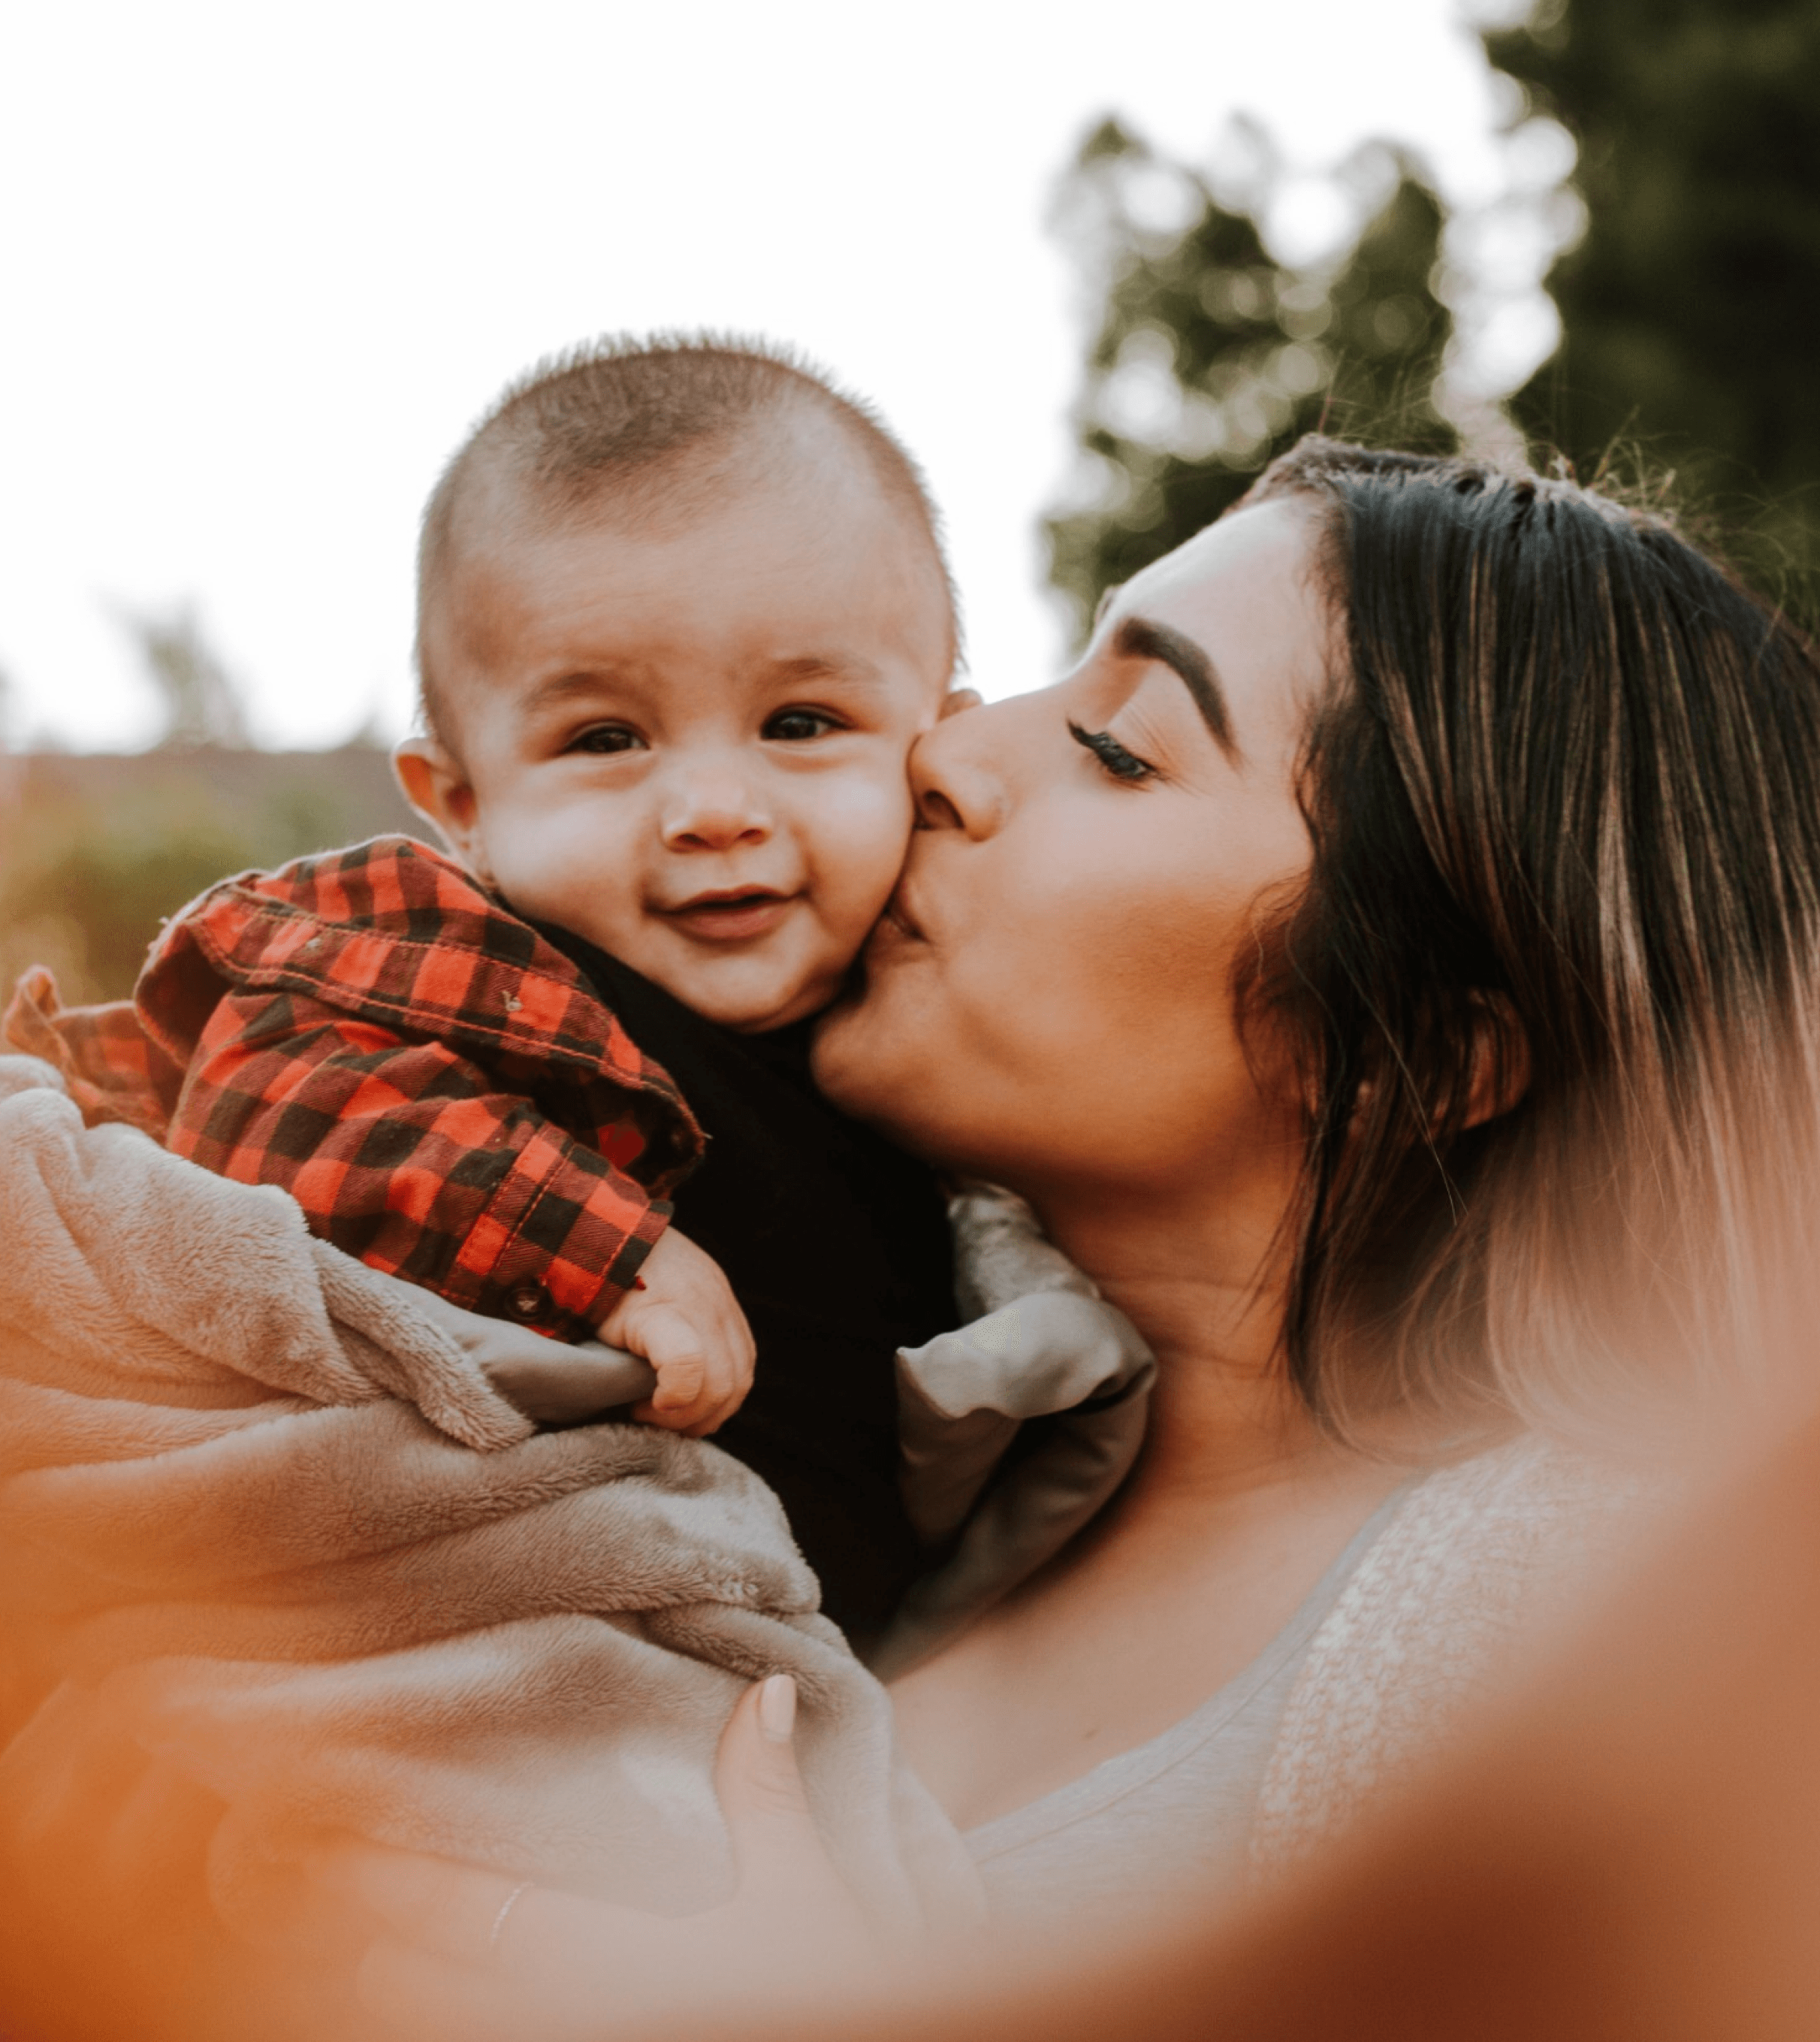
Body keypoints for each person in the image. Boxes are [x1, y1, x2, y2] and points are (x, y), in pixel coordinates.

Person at [314, 434, 1820, 2032]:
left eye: (1117, 749)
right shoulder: (879, 1415)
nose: (942, 760)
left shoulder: (1550, 1629)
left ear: (1418, 1057)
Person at [4, 336, 976, 1640]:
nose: (711, 810)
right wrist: (598, 1250)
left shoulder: (949, 1015)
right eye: (604, 739)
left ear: (943, 742)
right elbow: (280, 1093)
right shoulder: (467, 956)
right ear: (461, 804)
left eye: (799, 722)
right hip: (435, 1639)